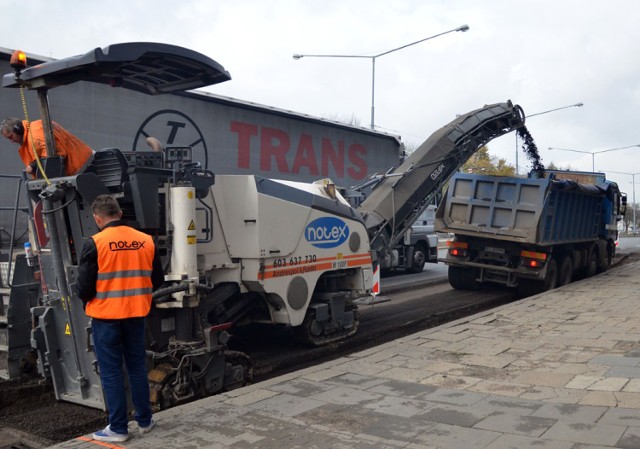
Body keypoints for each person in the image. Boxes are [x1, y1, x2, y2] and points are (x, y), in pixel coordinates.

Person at [76, 195, 164, 443]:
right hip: (136, 314)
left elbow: (83, 288)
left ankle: (118, 428)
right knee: (137, 367)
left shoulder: (95, 243)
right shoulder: (145, 241)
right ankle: (145, 421)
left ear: (97, 218)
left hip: (107, 318)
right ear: (119, 213)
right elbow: (157, 280)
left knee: (112, 372)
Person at [1, 117, 93, 177]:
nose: (12, 141)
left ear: (18, 129)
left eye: (11, 137)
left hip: (82, 167)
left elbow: (53, 155)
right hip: (80, 165)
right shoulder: (34, 131)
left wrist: (33, 166)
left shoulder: (35, 136)